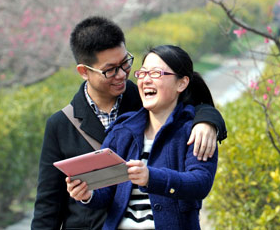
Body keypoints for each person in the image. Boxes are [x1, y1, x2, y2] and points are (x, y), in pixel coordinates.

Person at [32, 17, 226, 230]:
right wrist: (86, 194)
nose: (123, 74)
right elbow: (48, 205)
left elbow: (187, 104)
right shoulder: (64, 125)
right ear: (84, 71)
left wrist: (208, 121)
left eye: (126, 63)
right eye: (110, 69)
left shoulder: (141, 100)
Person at [67, 45, 218, 230]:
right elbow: (106, 192)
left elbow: (200, 183)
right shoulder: (121, 131)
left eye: (155, 73)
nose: (146, 80)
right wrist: (87, 193)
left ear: (182, 83)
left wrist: (151, 177)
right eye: (142, 73)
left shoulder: (195, 131)